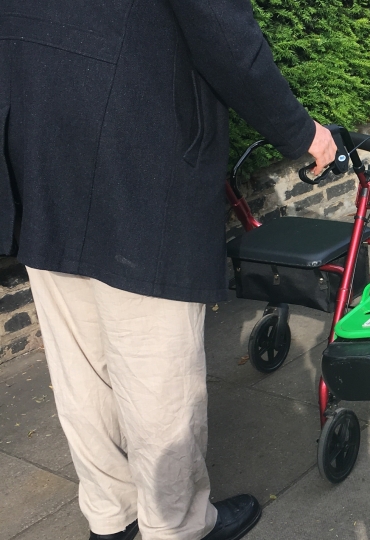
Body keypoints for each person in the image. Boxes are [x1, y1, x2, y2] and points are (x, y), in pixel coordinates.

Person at [0, 1, 337, 539]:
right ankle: (177, 525)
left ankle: (112, 517)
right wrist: (303, 133)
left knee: (80, 360)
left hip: (37, 144)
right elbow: (226, 38)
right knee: (156, 367)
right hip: (136, 154)